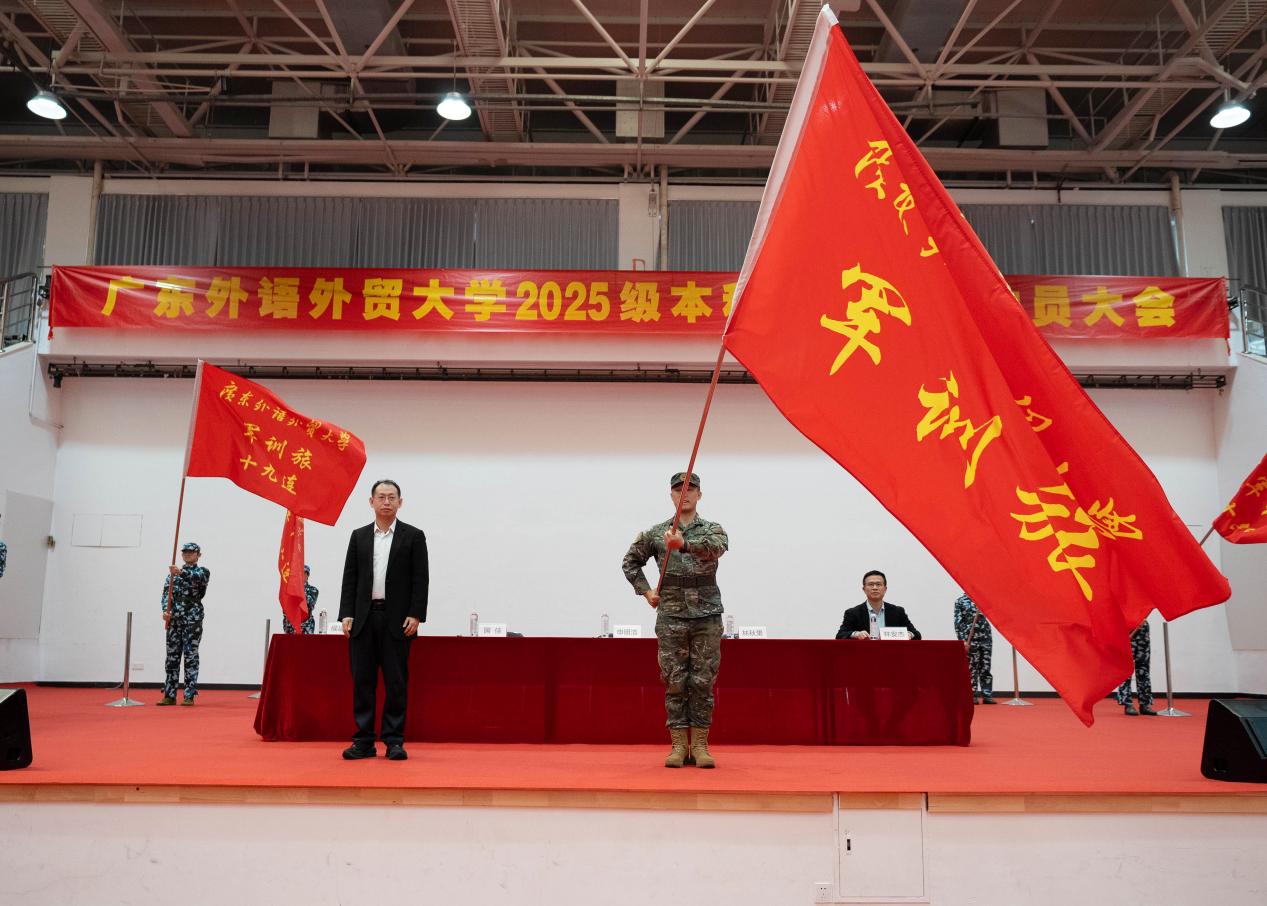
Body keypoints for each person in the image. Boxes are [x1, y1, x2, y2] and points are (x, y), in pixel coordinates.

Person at [622, 471, 728, 769]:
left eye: (690, 489)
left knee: (703, 680)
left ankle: (701, 745)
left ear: (699, 495)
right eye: (679, 490)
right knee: (675, 680)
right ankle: (679, 745)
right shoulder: (657, 533)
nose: (685, 494)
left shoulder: (712, 529)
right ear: (671, 495)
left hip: (706, 615)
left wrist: (683, 544)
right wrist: (646, 592)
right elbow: (630, 562)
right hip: (671, 614)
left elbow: (716, 549)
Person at [339, 479, 429, 761]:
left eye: (391, 497)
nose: (386, 502)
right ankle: (363, 741)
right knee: (362, 682)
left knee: (396, 682)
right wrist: (347, 613)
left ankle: (394, 741)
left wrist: (416, 614)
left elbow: (421, 579)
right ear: (371, 502)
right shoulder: (359, 536)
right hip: (364, 619)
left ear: (400, 502)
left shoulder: (413, 536)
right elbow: (350, 577)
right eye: (381, 497)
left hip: (398, 620)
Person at [158, 541, 211, 706]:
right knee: (172, 658)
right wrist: (165, 611)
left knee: (190, 656)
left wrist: (180, 573)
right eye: (185, 552)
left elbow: (197, 580)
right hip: (175, 620)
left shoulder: (202, 572)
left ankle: (189, 695)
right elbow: (166, 595)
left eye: (191, 552)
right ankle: (169, 695)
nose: (187, 554)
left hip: (192, 620)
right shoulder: (172, 576)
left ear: (198, 555)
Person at [836, 570, 921, 640]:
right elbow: (840, 635)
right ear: (864, 589)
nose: (875, 588)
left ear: (885, 589)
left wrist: (909, 634)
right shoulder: (853, 613)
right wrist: (856, 634)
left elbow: (916, 634)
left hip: (891, 653)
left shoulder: (898, 612)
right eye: (871, 584)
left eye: (878, 584)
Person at [953, 592, 995, 704]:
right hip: (970, 639)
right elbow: (958, 623)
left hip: (985, 638)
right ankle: (972, 695)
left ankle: (987, 695)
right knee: (971, 668)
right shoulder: (960, 601)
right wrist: (962, 640)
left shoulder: (983, 600)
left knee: (985, 667)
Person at [1117, 620, 1157, 716]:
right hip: (1126, 628)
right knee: (1126, 670)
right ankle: (1127, 704)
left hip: (1142, 630)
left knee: (1143, 670)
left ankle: (1145, 704)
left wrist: (1142, 620)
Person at [282, 564, 317, 634]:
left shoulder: (313, 590)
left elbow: (309, 603)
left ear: (307, 575)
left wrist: (299, 589)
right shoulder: (290, 589)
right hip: (291, 626)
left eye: (303, 573)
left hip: (306, 627)